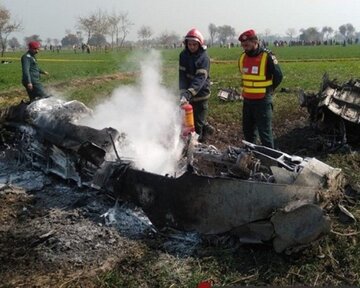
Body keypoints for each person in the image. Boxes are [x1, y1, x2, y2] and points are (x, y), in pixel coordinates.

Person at [238, 29, 283, 148]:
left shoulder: (267, 56)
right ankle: (250, 158)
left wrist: (269, 89)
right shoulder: (242, 58)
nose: (245, 48)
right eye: (243, 46)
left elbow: (278, 76)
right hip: (247, 101)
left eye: (247, 45)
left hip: (262, 101)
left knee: (265, 134)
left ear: (255, 42)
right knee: (248, 132)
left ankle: (269, 163)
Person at [179, 28, 214, 142]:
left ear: (200, 44)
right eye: (190, 44)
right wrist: (183, 92)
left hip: (201, 94)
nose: (192, 47)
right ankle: (205, 129)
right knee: (188, 118)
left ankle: (197, 144)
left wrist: (189, 93)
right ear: (186, 44)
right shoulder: (183, 55)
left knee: (198, 121)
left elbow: (200, 79)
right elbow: (182, 74)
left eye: (195, 44)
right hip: (189, 93)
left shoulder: (204, 58)